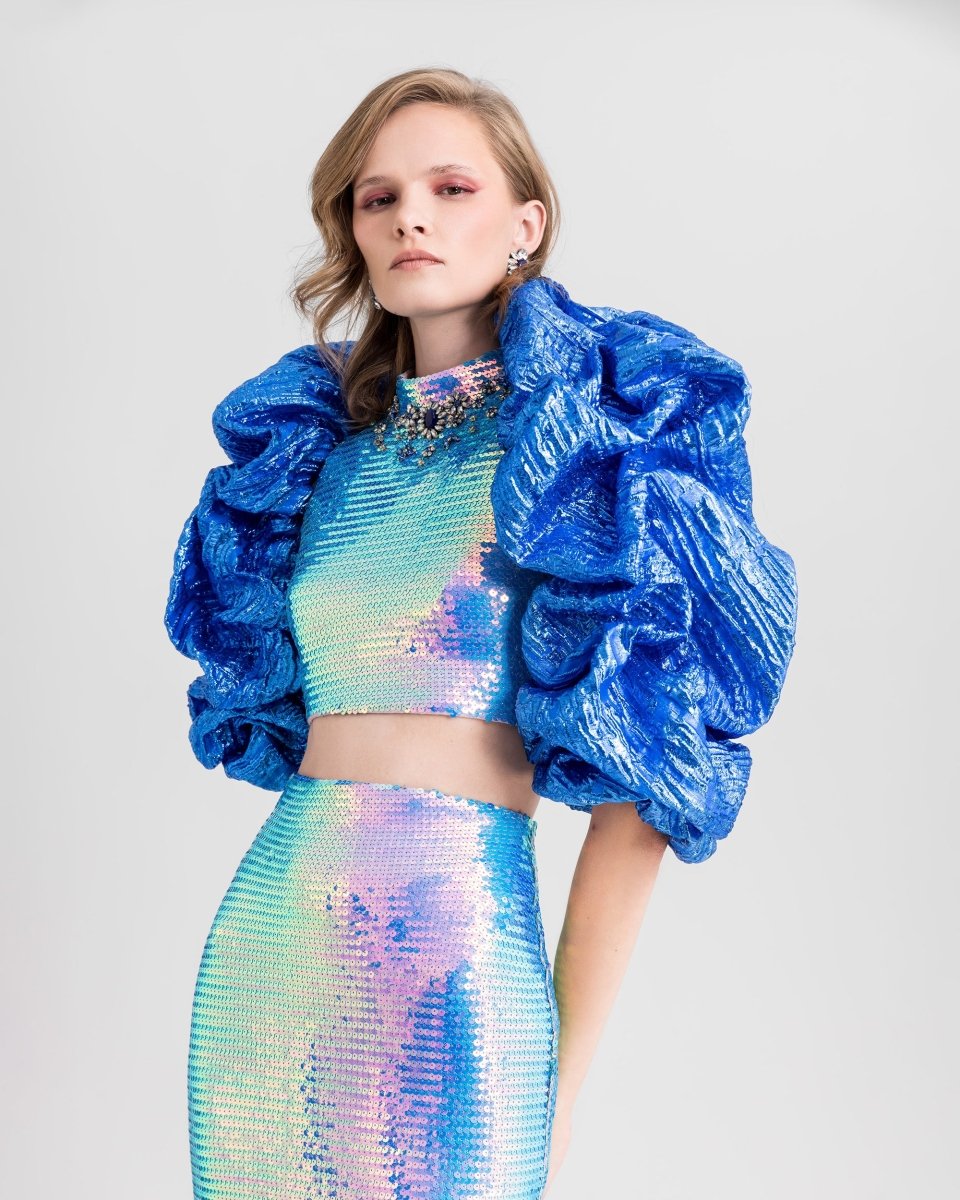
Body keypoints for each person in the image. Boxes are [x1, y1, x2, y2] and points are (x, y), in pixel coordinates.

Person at [164, 67, 798, 1200]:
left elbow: (640, 809)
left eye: (451, 188)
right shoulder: (313, 454)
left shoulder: (591, 451)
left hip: (461, 958)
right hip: (272, 959)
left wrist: (561, 1080)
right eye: (379, 198)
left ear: (526, 224)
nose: (410, 216)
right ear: (355, 233)